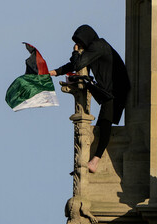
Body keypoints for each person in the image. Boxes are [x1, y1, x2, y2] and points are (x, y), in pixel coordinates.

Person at [49, 24, 130, 173]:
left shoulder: (98, 46)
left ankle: (95, 161)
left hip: (116, 91)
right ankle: (87, 161)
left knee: (105, 124)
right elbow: (73, 65)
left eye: (79, 43)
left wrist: (75, 52)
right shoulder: (94, 48)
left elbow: (78, 63)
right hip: (109, 91)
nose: (78, 46)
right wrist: (53, 72)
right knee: (100, 126)